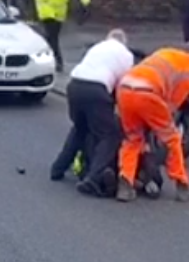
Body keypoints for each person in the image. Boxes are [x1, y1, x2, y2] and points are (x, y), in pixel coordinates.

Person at [115, 47, 189, 203]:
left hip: (124, 89)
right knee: (172, 139)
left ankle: (125, 184)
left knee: (132, 139)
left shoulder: (168, 52)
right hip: (148, 93)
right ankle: (182, 185)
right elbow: (171, 107)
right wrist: (158, 124)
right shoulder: (188, 73)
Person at [50, 29, 134, 196]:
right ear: (124, 42)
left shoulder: (97, 47)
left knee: (80, 128)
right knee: (110, 135)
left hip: (74, 85)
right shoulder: (126, 55)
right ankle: (93, 178)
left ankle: (58, 168)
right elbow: (122, 86)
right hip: (97, 89)